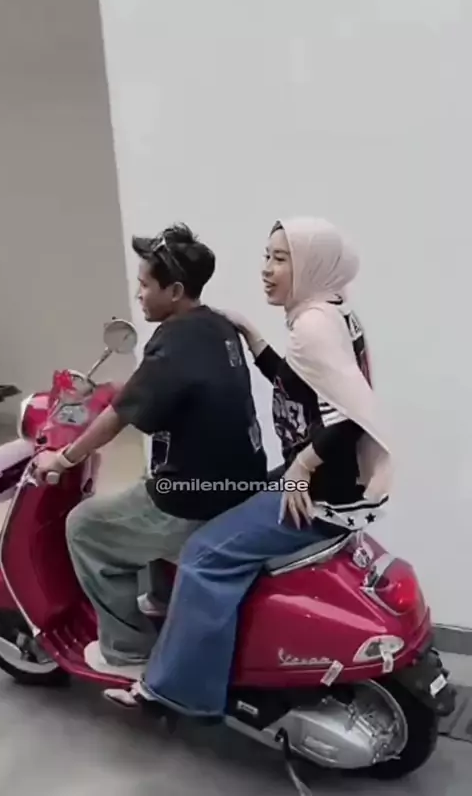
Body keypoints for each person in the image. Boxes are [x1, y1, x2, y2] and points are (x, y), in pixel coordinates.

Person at [103, 215, 392, 714]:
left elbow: (350, 416)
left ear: (311, 265)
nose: (266, 269)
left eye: (281, 259)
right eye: (267, 256)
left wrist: (301, 469)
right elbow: (303, 385)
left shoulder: (312, 327)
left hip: (320, 491)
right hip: (339, 483)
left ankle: (175, 692)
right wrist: (253, 336)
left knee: (202, 555)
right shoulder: (332, 310)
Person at [34, 223, 267, 678]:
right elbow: (159, 389)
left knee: (84, 526)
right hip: (235, 483)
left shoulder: (174, 341)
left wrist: (63, 458)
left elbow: (120, 415)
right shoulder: (216, 326)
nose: (138, 294)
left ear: (175, 291)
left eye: (145, 285)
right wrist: (110, 392)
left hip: (195, 499)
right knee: (144, 486)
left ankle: (126, 650)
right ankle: (161, 600)